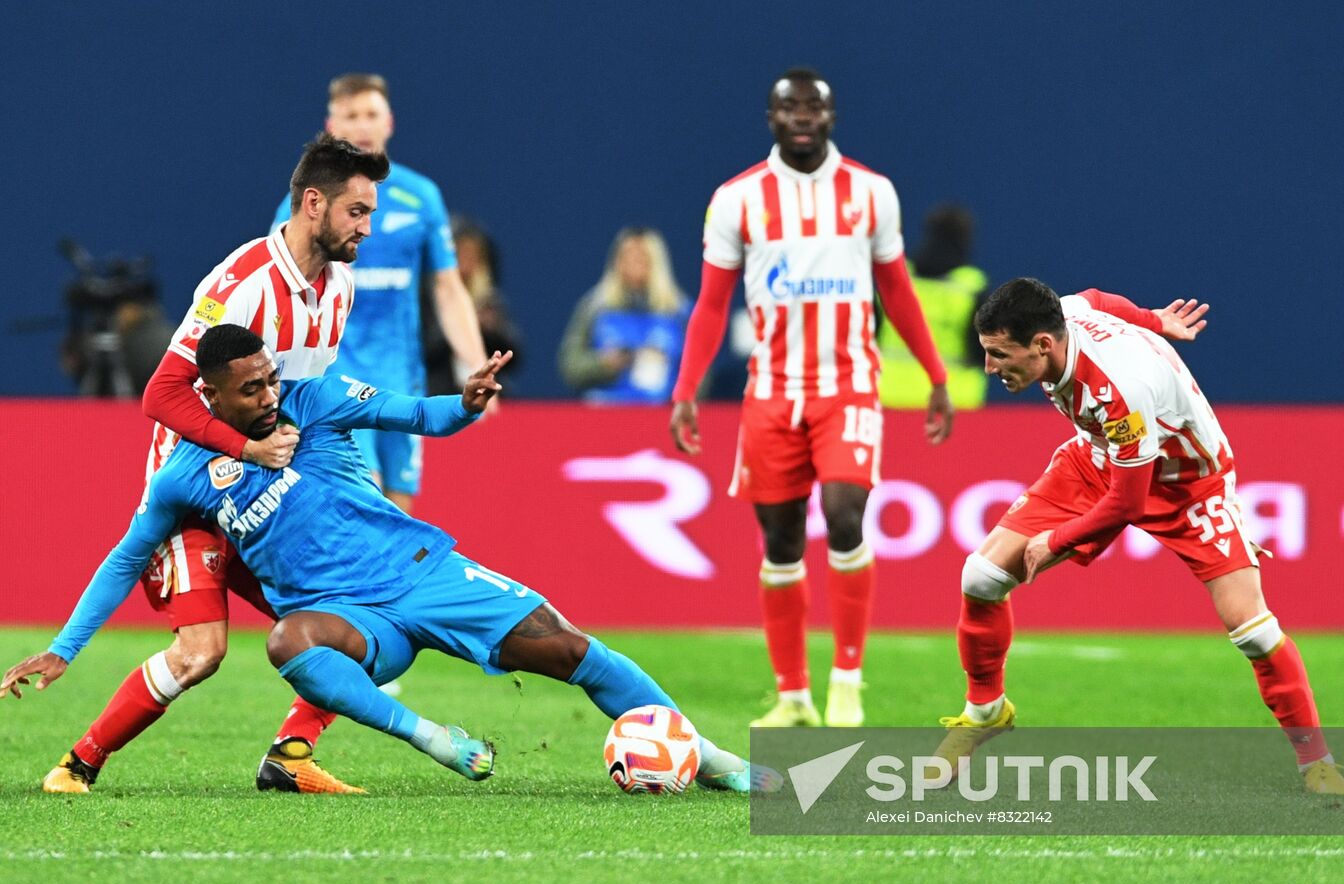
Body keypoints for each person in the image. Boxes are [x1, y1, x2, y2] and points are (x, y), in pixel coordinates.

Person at [2, 325, 779, 795]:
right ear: (209, 395)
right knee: (286, 643)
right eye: (250, 388)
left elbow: (416, 414)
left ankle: (712, 759)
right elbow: (123, 556)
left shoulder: (315, 398)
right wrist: (66, 648)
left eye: (272, 377)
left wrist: (466, 403)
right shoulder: (185, 478)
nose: (270, 394)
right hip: (348, 621)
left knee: (574, 650)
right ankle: (429, 736)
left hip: (422, 573)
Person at [27, 133, 390, 797]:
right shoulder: (243, 283)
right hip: (199, 487)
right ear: (314, 203)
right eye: (357, 212)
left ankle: (292, 753)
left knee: (358, 616)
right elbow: (161, 393)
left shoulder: (340, 287)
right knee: (203, 651)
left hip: (267, 489)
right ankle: (77, 763)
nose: (368, 227)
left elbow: (305, 403)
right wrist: (246, 449)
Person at [933, 277, 1344, 795]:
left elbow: (1127, 504)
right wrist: (1157, 319)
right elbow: (1097, 299)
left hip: (1188, 485)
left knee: (1253, 630)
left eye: (1000, 355)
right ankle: (985, 713)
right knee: (980, 576)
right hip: (1098, 461)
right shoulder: (1062, 314)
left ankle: (1318, 765)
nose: (990, 368)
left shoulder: (1117, 388)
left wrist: (1058, 540)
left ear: (1044, 344)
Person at [668, 68, 953, 728]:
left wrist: (936, 374)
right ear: (770, 118)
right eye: (788, 107)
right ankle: (793, 694)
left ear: (831, 117)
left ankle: (847, 681)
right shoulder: (736, 199)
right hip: (770, 391)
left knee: (846, 510)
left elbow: (898, 289)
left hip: (848, 382)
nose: (801, 116)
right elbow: (711, 305)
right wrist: (687, 389)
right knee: (781, 539)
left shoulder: (872, 193)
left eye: (812, 107)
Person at [271, 73, 487, 516]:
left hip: (401, 380)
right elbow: (277, 288)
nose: (362, 126)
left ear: (389, 122)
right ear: (332, 127)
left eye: (371, 114)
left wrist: (474, 363)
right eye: (351, 116)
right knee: (361, 505)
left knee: (400, 512)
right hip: (333, 381)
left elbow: (448, 289)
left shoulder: (420, 196)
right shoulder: (307, 202)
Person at [559, 227, 693, 403]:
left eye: (641, 257)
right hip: (605, 411)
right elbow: (570, 364)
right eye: (627, 257)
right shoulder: (595, 306)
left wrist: (679, 399)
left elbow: (700, 371)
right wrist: (603, 364)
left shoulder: (680, 310)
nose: (633, 263)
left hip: (663, 414)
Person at [878, 205, 988, 411]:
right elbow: (984, 351)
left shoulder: (896, 278)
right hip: (953, 401)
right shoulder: (973, 289)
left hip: (889, 395)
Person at [422, 215, 522, 396]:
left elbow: (514, 356)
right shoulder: (429, 297)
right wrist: (459, 326)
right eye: (462, 254)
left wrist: (489, 330)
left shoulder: (490, 299)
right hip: (439, 395)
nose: (468, 262)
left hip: (485, 397)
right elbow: (423, 350)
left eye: (474, 255)